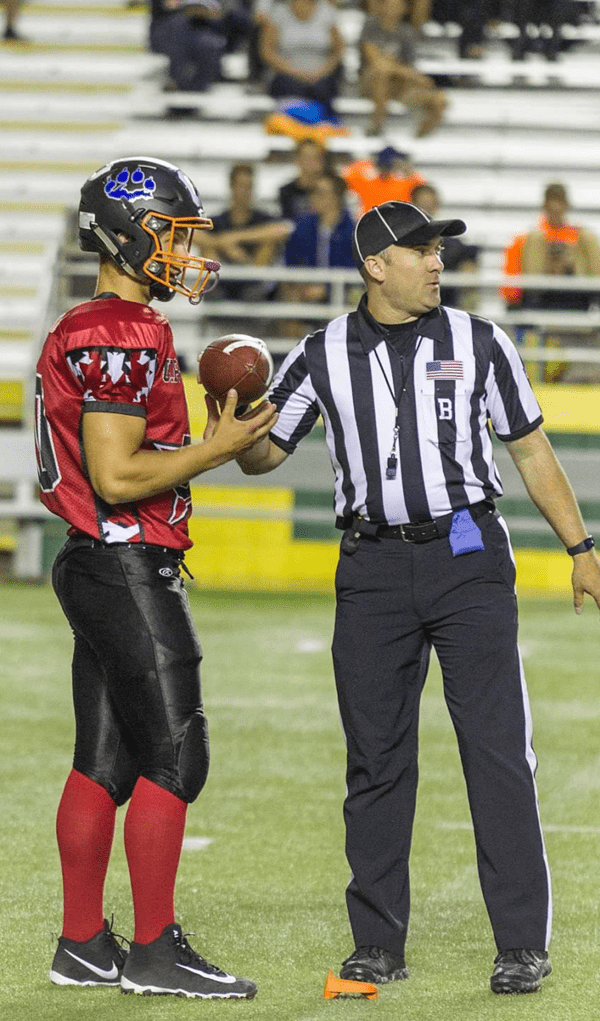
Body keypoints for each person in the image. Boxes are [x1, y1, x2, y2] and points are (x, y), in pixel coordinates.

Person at [216, 198, 600, 995]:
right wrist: (235, 419)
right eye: (421, 250)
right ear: (375, 265)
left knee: (498, 748)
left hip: (468, 554)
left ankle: (521, 942)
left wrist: (581, 548)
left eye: (438, 249)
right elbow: (265, 454)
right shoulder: (321, 351)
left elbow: (530, 449)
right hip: (372, 568)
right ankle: (377, 943)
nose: (436, 262)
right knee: (376, 757)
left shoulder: (481, 340)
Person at [36, 156, 277, 999]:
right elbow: (117, 475)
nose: (185, 252)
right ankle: (153, 950)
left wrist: (202, 443)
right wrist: (218, 447)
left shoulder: (94, 322)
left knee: (104, 762)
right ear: (125, 235)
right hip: (126, 557)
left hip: (96, 556)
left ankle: (80, 944)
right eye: (171, 235)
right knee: (176, 755)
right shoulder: (123, 331)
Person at [280, 170, 356, 336]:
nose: (314, 197)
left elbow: (354, 266)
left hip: (343, 291)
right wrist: (300, 284)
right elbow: (292, 260)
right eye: (313, 192)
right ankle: (292, 349)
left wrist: (326, 288)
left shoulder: (352, 231)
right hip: (306, 290)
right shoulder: (303, 225)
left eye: (321, 193)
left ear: (337, 197)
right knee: (291, 301)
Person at [359, 0, 447, 137]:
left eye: (397, 5)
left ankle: (421, 136)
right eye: (390, 4)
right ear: (381, 6)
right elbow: (375, 60)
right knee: (381, 72)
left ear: (404, 9)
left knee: (439, 99)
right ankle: (377, 122)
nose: (393, 9)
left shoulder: (406, 31)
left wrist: (409, 74)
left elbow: (409, 66)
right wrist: (405, 72)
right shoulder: (371, 25)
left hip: (398, 84)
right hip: (370, 82)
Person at [259, 0, 345, 118]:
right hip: (287, 73)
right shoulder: (278, 12)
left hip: (320, 74)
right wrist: (295, 72)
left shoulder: (327, 12)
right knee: (291, 88)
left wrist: (321, 72)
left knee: (322, 89)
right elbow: (267, 51)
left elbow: (338, 50)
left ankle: (321, 120)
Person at [149, 0, 250, 94]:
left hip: (209, 14)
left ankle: (209, 75)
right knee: (184, 31)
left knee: (236, 19)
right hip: (182, 16)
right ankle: (183, 79)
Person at [411, 182, 479, 308]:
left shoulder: (451, 242)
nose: (427, 208)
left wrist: (468, 265)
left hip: (446, 301)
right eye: (423, 204)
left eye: (431, 204)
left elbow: (469, 255)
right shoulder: (402, 240)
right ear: (413, 204)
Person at [342, 145, 426, 217]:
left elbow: (423, 189)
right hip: (371, 223)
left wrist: (408, 170)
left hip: (398, 224)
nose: (385, 170)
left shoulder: (404, 184)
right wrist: (368, 162)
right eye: (382, 166)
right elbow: (346, 177)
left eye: (388, 167)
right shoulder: (367, 183)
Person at [279, 137, 331, 220]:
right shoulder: (287, 192)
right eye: (307, 157)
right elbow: (286, 222)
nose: (312, 162)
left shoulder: (331, 191)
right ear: (297, 159)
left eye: (316, 157)